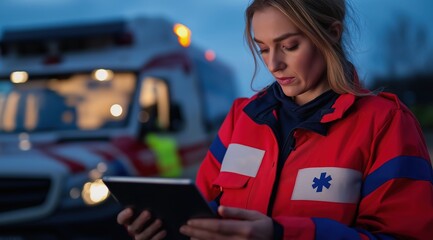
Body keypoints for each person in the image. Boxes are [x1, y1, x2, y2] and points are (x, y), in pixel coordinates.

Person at [117, 0, 433, 239]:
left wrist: (281, 234)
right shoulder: (242, 118)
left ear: (332, 34)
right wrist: (168, 228)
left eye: (289, 46)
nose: (274, 63)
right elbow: (204, 210)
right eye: (263, 48)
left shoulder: (385, 123)